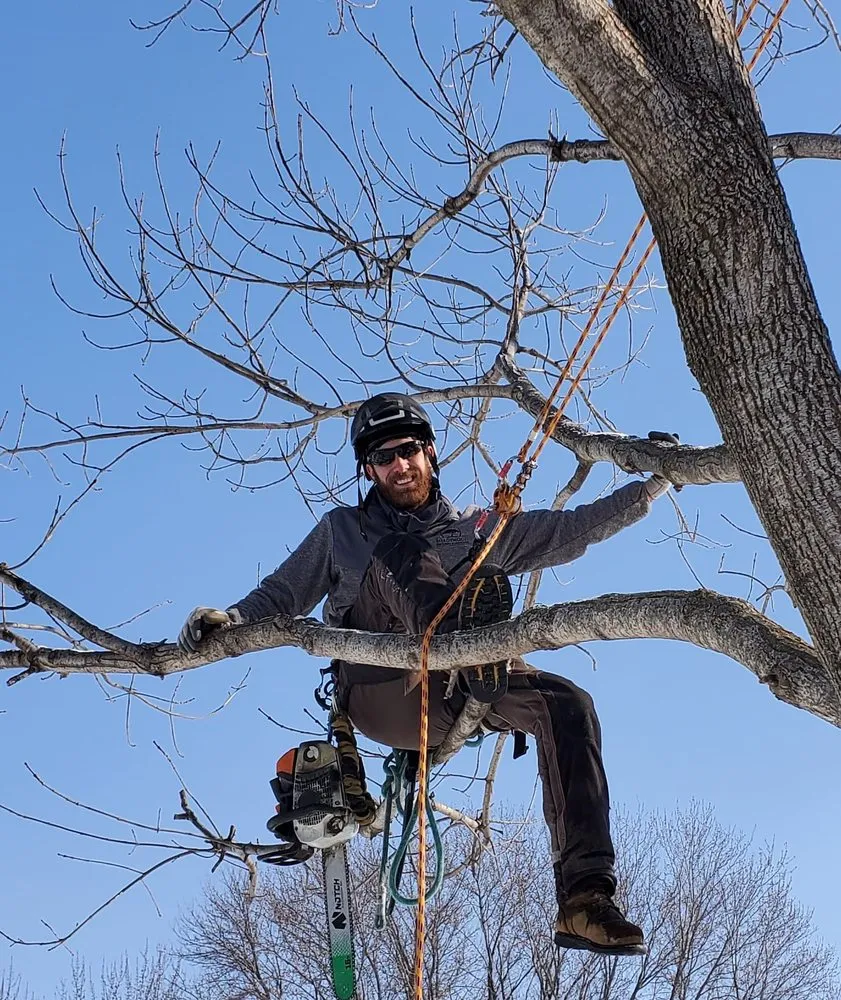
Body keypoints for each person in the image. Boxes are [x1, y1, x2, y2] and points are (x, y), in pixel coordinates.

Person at [179, 392, 674, 956]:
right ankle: (467, 641)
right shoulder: (343, 530)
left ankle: (584, 900)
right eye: (383, 457)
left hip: (456, 693)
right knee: (399, 551)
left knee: (568, 705)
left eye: (408, 450)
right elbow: (281, 594)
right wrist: (231, 620)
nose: (399, 465)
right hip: (381, 688)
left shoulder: (477, 529)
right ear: (368, 470)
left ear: (430, 452)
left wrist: (653, 485)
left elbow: (571, 530)